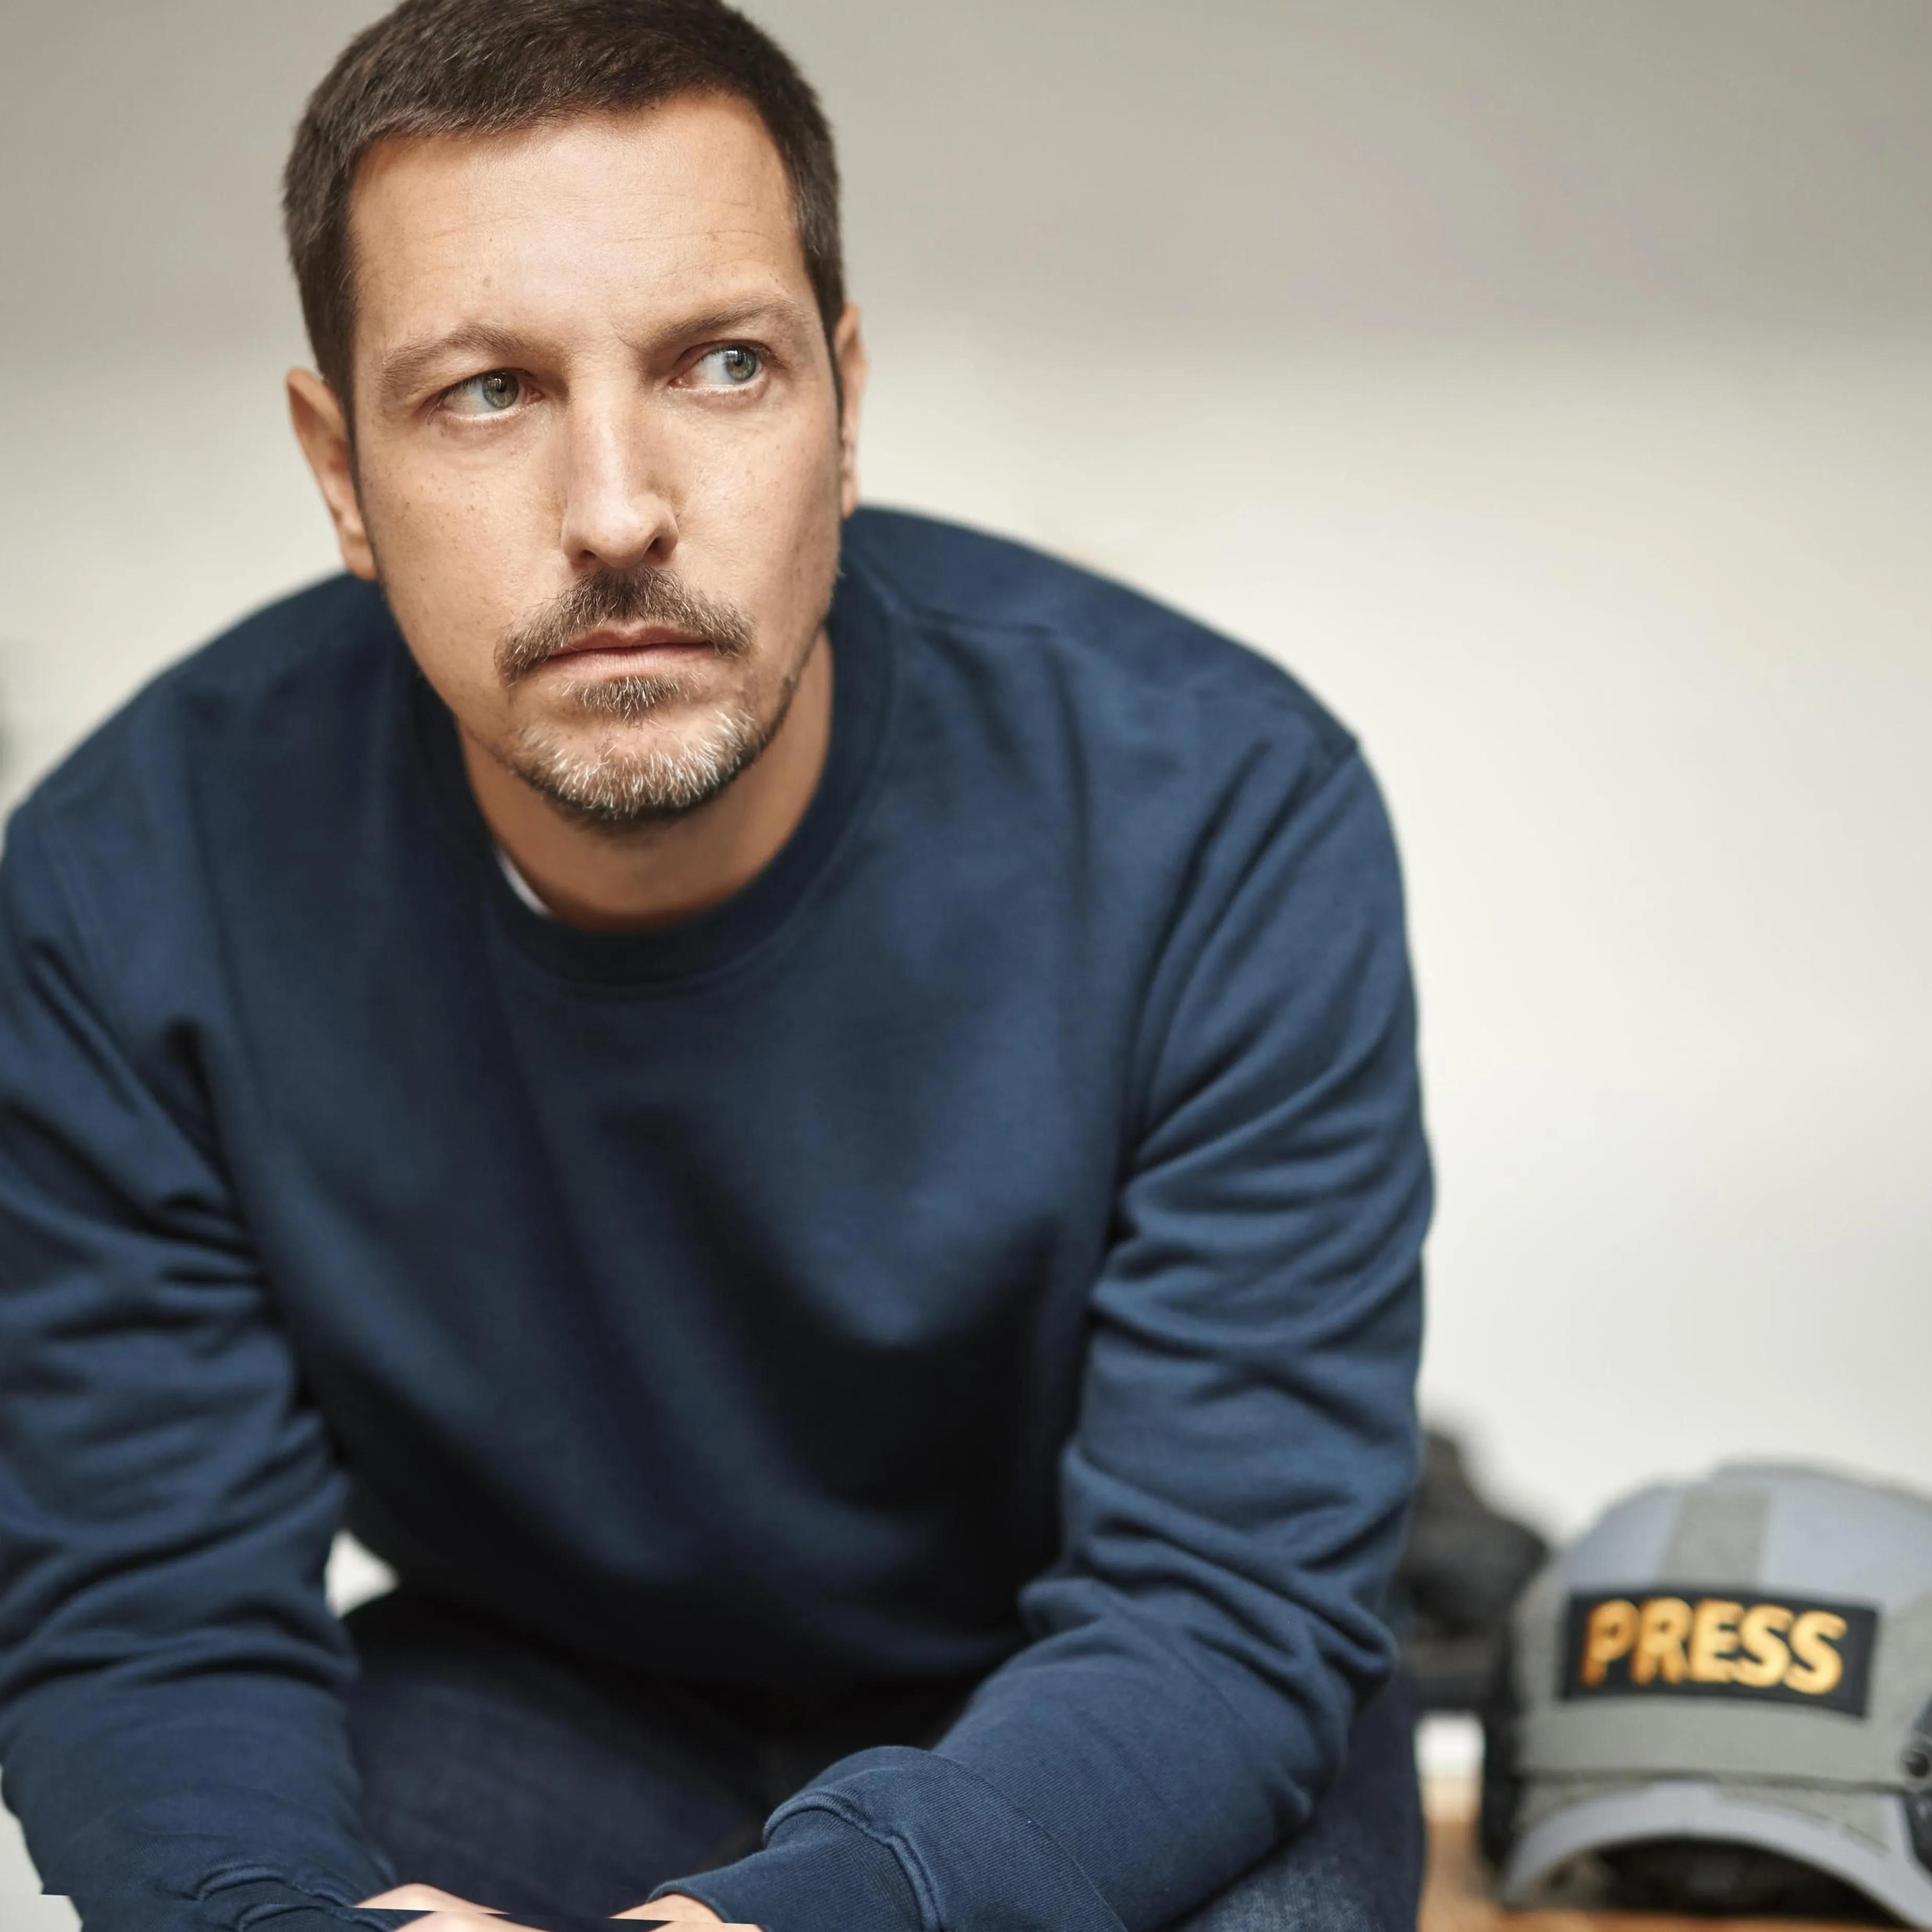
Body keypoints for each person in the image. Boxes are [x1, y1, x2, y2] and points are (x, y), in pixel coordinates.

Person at [0, 3, 1433, 1928]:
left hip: (1088, 1672)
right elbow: (146, 1616)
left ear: (843, 411)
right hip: (547, 1695)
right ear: (340, 471)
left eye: (723, 365)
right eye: (487, 392)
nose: (616, 512)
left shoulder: (1221, 811)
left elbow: (1222, 1604)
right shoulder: (125, 890)